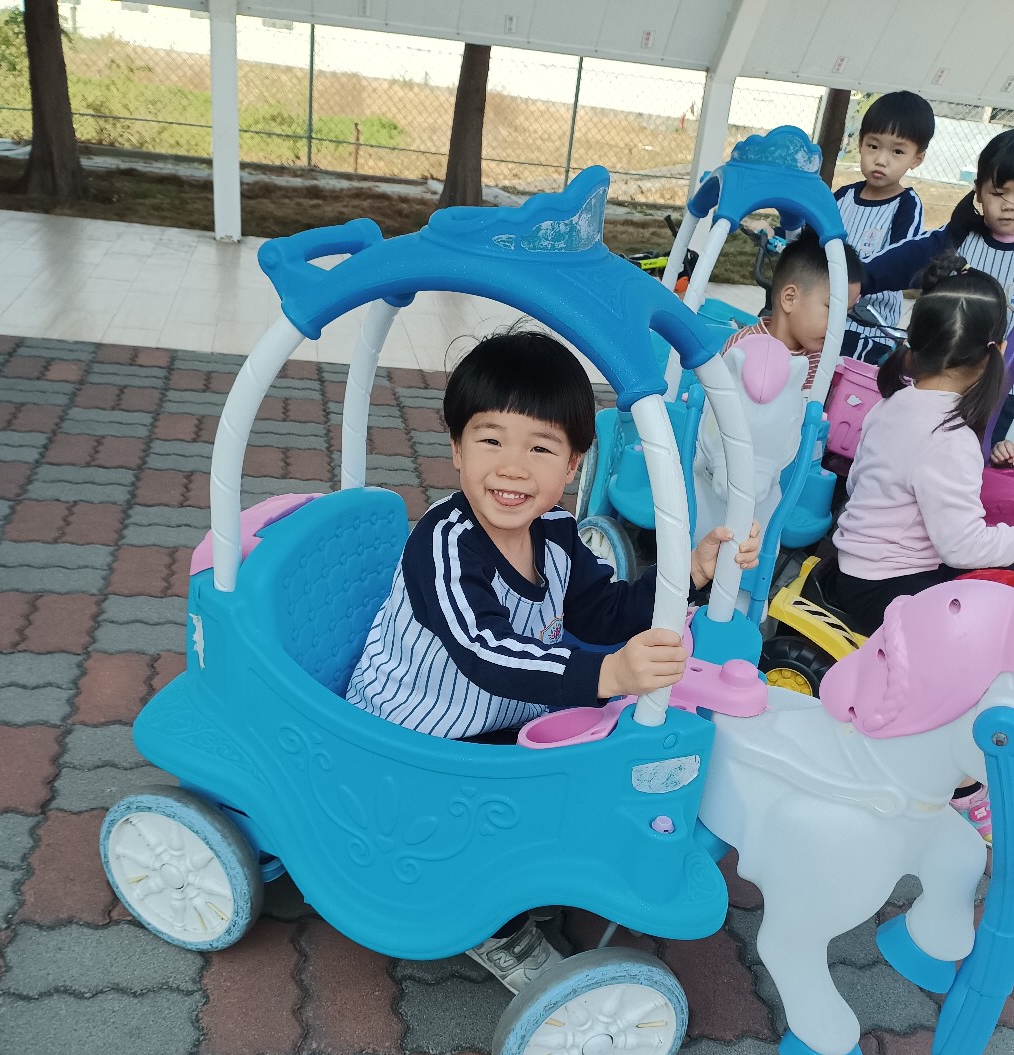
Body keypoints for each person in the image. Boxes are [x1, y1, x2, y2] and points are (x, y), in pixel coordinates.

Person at [348, 329, 760, 988]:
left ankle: (532, 863)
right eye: (491, 441)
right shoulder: (445, 544)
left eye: (540, 448)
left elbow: (607, 612)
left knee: (572, 766)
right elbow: (483, 651)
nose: (513, 468)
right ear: (457, 450)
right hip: (418, 730)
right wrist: (606, 674)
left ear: (572, 465)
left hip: (502, 712)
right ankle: (492, 926)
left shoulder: (560, 537)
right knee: (499, 812)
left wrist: (691, 573)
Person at [832, 256, 1013, 840]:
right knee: (981, 643)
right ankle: (962, 785)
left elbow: (863, 487)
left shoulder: (892, 403)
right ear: (994, 354)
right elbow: (962, 546)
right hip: (890, 589)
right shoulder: (950, 435)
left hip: (853, 567)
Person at [861, 128, 1014, 462]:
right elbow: (895, 263)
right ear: (978, 191)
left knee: (981, 461)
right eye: (999, 192)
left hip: (1002, 393)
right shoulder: (956, 239)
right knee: (915, 452)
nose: (1010, 206)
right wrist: (855, 280)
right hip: (937, 376)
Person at [834, 91, 935, 363]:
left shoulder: (906, 205)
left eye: (897, 151)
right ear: (860, 144)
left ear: (916, 158)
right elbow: (813, 236)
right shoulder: (843, 196)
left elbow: (902, 260)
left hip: (869, 327)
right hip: (824, 311)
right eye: (873, 146)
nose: (881, 159)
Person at [722, 229, 864, 390]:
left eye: (845, 316)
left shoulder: (819, 360)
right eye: (832, 310)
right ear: (790, 299)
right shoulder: (744, 346)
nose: (838, 328)